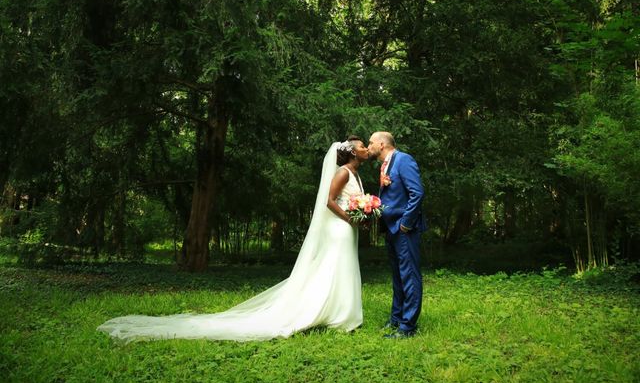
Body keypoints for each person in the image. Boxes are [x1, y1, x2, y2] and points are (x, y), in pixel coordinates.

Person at [97, 136, 369, 342]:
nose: (366, 149)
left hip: (347, 228)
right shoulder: (343, 172)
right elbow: (328, 202)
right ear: (351, 152)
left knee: (341, 268)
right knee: (336, 267)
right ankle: (336, 314)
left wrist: (363, 211)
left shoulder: (355, 173)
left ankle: (339, 312)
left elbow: (350, 200)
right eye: (362, 146)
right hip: (340, 228)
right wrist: (349, 218)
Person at [368, 131, 425, 338]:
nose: (369, 146)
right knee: (398, 277)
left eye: (371, 142)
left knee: (409, 276)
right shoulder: (386, 165)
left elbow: (417, 193)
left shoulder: (403, 160)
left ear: (382, 144)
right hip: (391, 230)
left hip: (404, 231)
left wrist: (406, 224)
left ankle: (407, 327)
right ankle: (396, 319)